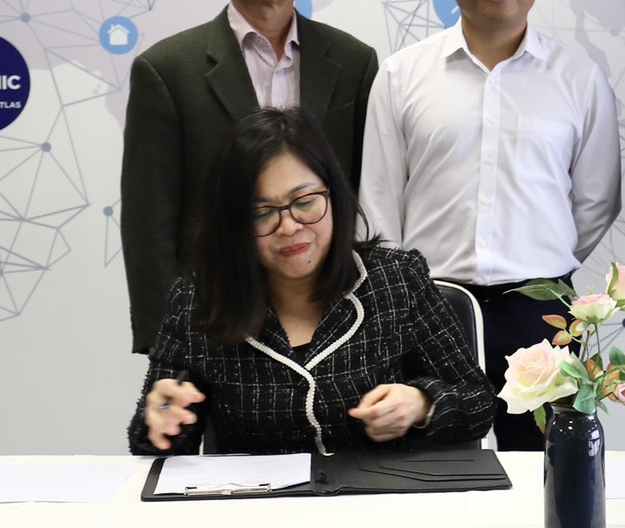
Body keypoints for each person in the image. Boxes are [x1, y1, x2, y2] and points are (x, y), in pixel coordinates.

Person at [362, 0, 621, 450]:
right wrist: (404, 299)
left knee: (547, 467)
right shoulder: (403, 75)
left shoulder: (578, 78)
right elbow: (378, 202)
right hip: (431, 306)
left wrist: (540, 257)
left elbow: (596, 199)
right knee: (431, 468)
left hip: (541, 314)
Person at [131, 107, 498, 456]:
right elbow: (151, 438)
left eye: (304, 202)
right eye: (262, 213)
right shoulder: (199, 301)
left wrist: (422, 403)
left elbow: (478, 402)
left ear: (333, 195)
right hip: (255, 498)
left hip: (378, 495)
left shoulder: (397, 280)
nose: (289, 227)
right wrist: (161, 421)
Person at [119, 0, 378, 356]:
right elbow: (148, 223)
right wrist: (167, 344)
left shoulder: (354, 62)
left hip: (330, 313)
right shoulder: (168, 70)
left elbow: (364, 196)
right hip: (216, 315)